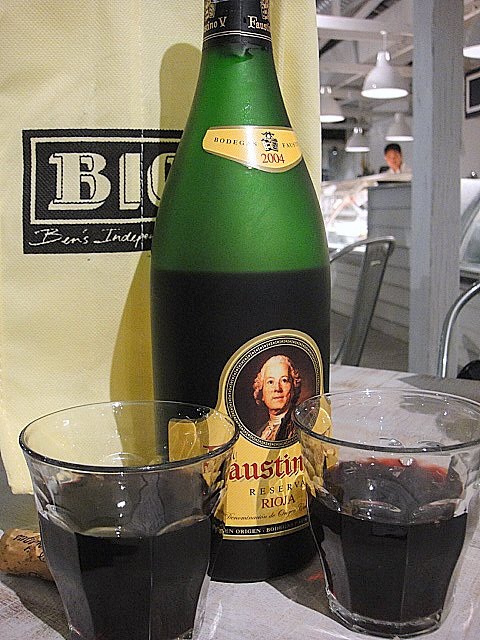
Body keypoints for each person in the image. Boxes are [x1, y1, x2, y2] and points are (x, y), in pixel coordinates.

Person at [252, 354, 301, 441]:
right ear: (261, 391)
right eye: (270, 382)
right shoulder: (261, 432)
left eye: (284, 380)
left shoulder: (300, 424)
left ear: (293, 387)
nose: (277, 388)